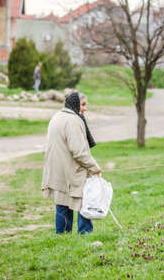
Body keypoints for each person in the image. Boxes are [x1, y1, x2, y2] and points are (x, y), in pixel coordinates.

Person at [42, 92, 101, 234]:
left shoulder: (57, 117)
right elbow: (79, 152)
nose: (85, 108)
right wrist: (95, 168)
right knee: (83, 201)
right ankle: (85, 234)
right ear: (75, 103)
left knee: (62, 202)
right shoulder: (73, 121)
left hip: (57, 170)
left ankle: (62, 235)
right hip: (71, 170)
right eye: (83, 104)